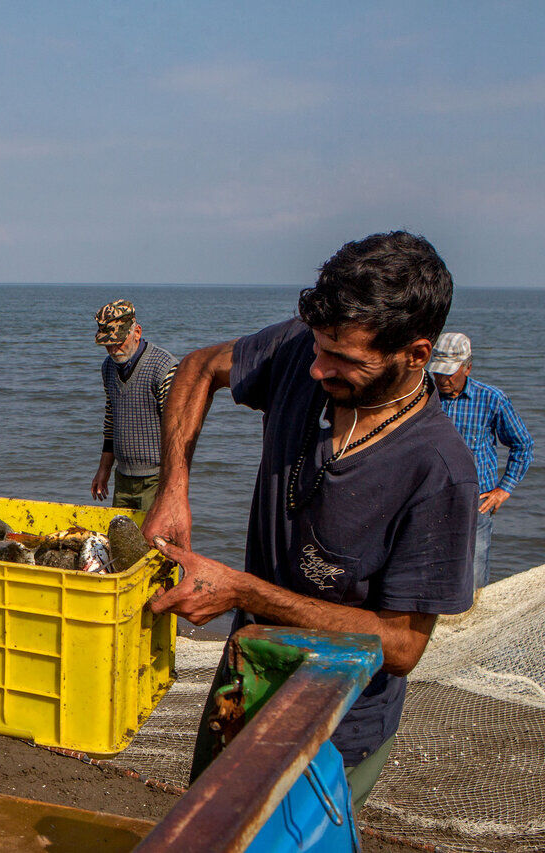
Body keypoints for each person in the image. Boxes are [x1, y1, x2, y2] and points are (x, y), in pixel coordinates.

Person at [142, 232, 477, 810]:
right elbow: (197, 369)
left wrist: (243, 591)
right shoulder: (303, 350)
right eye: (318, 347)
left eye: (343, 359)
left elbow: (400, 645)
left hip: (333, 725)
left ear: (417, 354)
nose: (316, 369)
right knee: (203, 827)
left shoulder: (438, 468)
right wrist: (174, 489)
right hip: (242, 683)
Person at [428, 332, 534, 588]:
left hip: (476, 501)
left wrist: (504, 489)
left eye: (449, 373)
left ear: (468, 367)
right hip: (429, 498)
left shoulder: (492, 399)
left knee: (473, 577)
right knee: (429, 572)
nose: (442, 379)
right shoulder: (423, 398)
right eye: (437, 372)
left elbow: (523, 445)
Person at [89, 299, 177, 512]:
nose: (112, 349)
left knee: (153, 541)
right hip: (123, 477)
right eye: (107, 344)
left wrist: (172, 485)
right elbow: (111, 421)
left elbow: (176, 432)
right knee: (119, 539)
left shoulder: (163, 367)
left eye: (118, 341)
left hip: (156, 478)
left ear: (136, 332)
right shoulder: (108, 368)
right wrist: (104, 469)